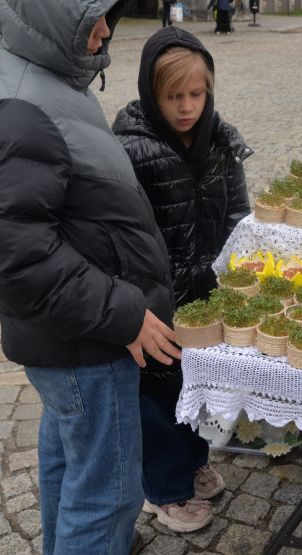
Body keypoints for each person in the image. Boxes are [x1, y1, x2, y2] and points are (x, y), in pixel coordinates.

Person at [0, 0, 180, 555]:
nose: (107, 29)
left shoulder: (52, 75)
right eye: (95, 15)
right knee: (107, 492)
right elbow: (8, 250)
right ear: (49, 8)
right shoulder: (17, 106)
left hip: (75, 341)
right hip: (87, 341)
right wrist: (123, 313)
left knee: (68, 463)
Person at [111, 26, 253, 532]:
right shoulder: (133, 149)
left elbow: (238, 210)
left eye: (196, 94)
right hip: (156, 295)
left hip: (207, 292)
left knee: (198, 386)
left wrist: (240, 263)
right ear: (153, 94)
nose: (187, 106)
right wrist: (135, 299)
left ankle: (192, 464)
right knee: (160, 394)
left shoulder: (218, 141)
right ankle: (164, 492)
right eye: (174, 97)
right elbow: (122, 234)